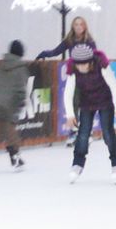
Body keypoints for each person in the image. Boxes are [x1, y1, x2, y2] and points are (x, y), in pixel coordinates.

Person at [64, 44, 116, 184]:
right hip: (86, 103)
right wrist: (70, 114)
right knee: (83, 134)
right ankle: (77, 164)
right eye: (78, 65)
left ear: (90, 61)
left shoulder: (101, 65)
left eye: (84, 65)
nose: (81, 68)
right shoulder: (73, 69)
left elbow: (114, 85)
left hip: (105, 101)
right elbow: (68, 92)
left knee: (108, 133)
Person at [36, 16, 95, 146]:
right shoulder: (70, 40)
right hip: (74, 75)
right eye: (76, 24)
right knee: (73, 102)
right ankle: (73, 132)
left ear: (84, 26)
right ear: (73, 27)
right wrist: (44, 53)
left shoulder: (89, 41)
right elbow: (56, 51)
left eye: (81, 24)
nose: (78, 27)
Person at [0, 40, 30, 172]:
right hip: (10, 105)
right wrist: (20, 102)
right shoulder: (20, 68)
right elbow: (20, 89)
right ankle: (15, 158)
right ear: (21, 53)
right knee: (10, 132)